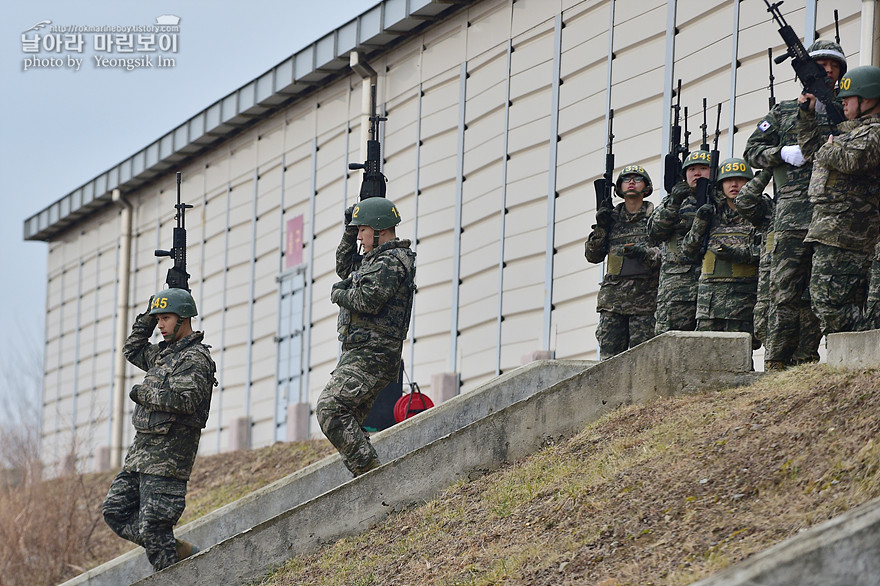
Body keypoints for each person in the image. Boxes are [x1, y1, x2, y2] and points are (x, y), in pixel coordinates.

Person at [743, 40, 846, 369]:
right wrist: (782, 154)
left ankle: (808, 362)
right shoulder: (783, 112)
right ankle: (776, 362)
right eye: (821, 64)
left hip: (833, 214)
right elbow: (752, 151)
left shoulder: (848, 109)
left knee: (822, 291)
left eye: (833, 64)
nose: (827, 69)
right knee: (784, 292)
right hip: (790, 217)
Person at [102, 288, 216, 572]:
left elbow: (185, 400)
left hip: (167, 464)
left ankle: (171, 562)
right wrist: (150, 313)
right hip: (140, 458)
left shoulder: (195, 358)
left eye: (165, 318)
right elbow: (132, 348)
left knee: (154, 529)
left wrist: (143, 393)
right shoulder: (163, 356)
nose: (161, 325)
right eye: (159, 319)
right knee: (114, 512)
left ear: (184, 317)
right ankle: (173, 547)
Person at [317, 197, 416, 477]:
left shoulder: (392, 261)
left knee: (330, 408)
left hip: (375, 353)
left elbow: (368, 300)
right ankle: (367, 475)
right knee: (350, 423)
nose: (359, 236)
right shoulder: (373, 259)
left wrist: (340, 294)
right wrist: (349, 229)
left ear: (379, 228)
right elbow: (344, 266)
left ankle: (371, 471)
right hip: (360, 351)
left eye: (362, 230)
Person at [798, 64, 880, 334]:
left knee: (829, 302)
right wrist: (807, 118)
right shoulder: (851, 132)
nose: (843, 104)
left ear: (867, 99)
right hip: (834, 231)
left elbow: (853, 159)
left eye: (848, 99)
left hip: (850, 234)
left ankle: (866, 342)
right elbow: (812, 152)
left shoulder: (874, 132)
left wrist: (830, 150)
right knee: (829, 300)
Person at [585, 165, 661, 359]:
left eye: (637, 178)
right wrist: (601, 227)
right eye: (627, 179)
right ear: (619, 188)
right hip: (613, 303)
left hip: (644, 302)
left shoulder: (655, 219)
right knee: (609, 361)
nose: (632, 182)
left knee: (643, 359)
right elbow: (592, 256)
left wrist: (644, 253)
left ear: (646, 187)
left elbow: (664, 255)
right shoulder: (611, 220)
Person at [681, 158, 760, 345]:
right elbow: (688, 251)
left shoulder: (760, 212)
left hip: (743, 301)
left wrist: (740, 255)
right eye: (728, 180)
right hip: (709, 302)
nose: (734, 185)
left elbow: (768, 252)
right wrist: (699, 221)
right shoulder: (711, 212)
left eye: (740, 180)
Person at [648, 150, 711, 334]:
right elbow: (654, 233)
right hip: (676, 287)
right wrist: (674, 202)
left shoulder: (719, 199)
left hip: (711, 286)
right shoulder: (673, 201)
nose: (697, 173)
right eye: (692, 169)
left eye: (703, 168)